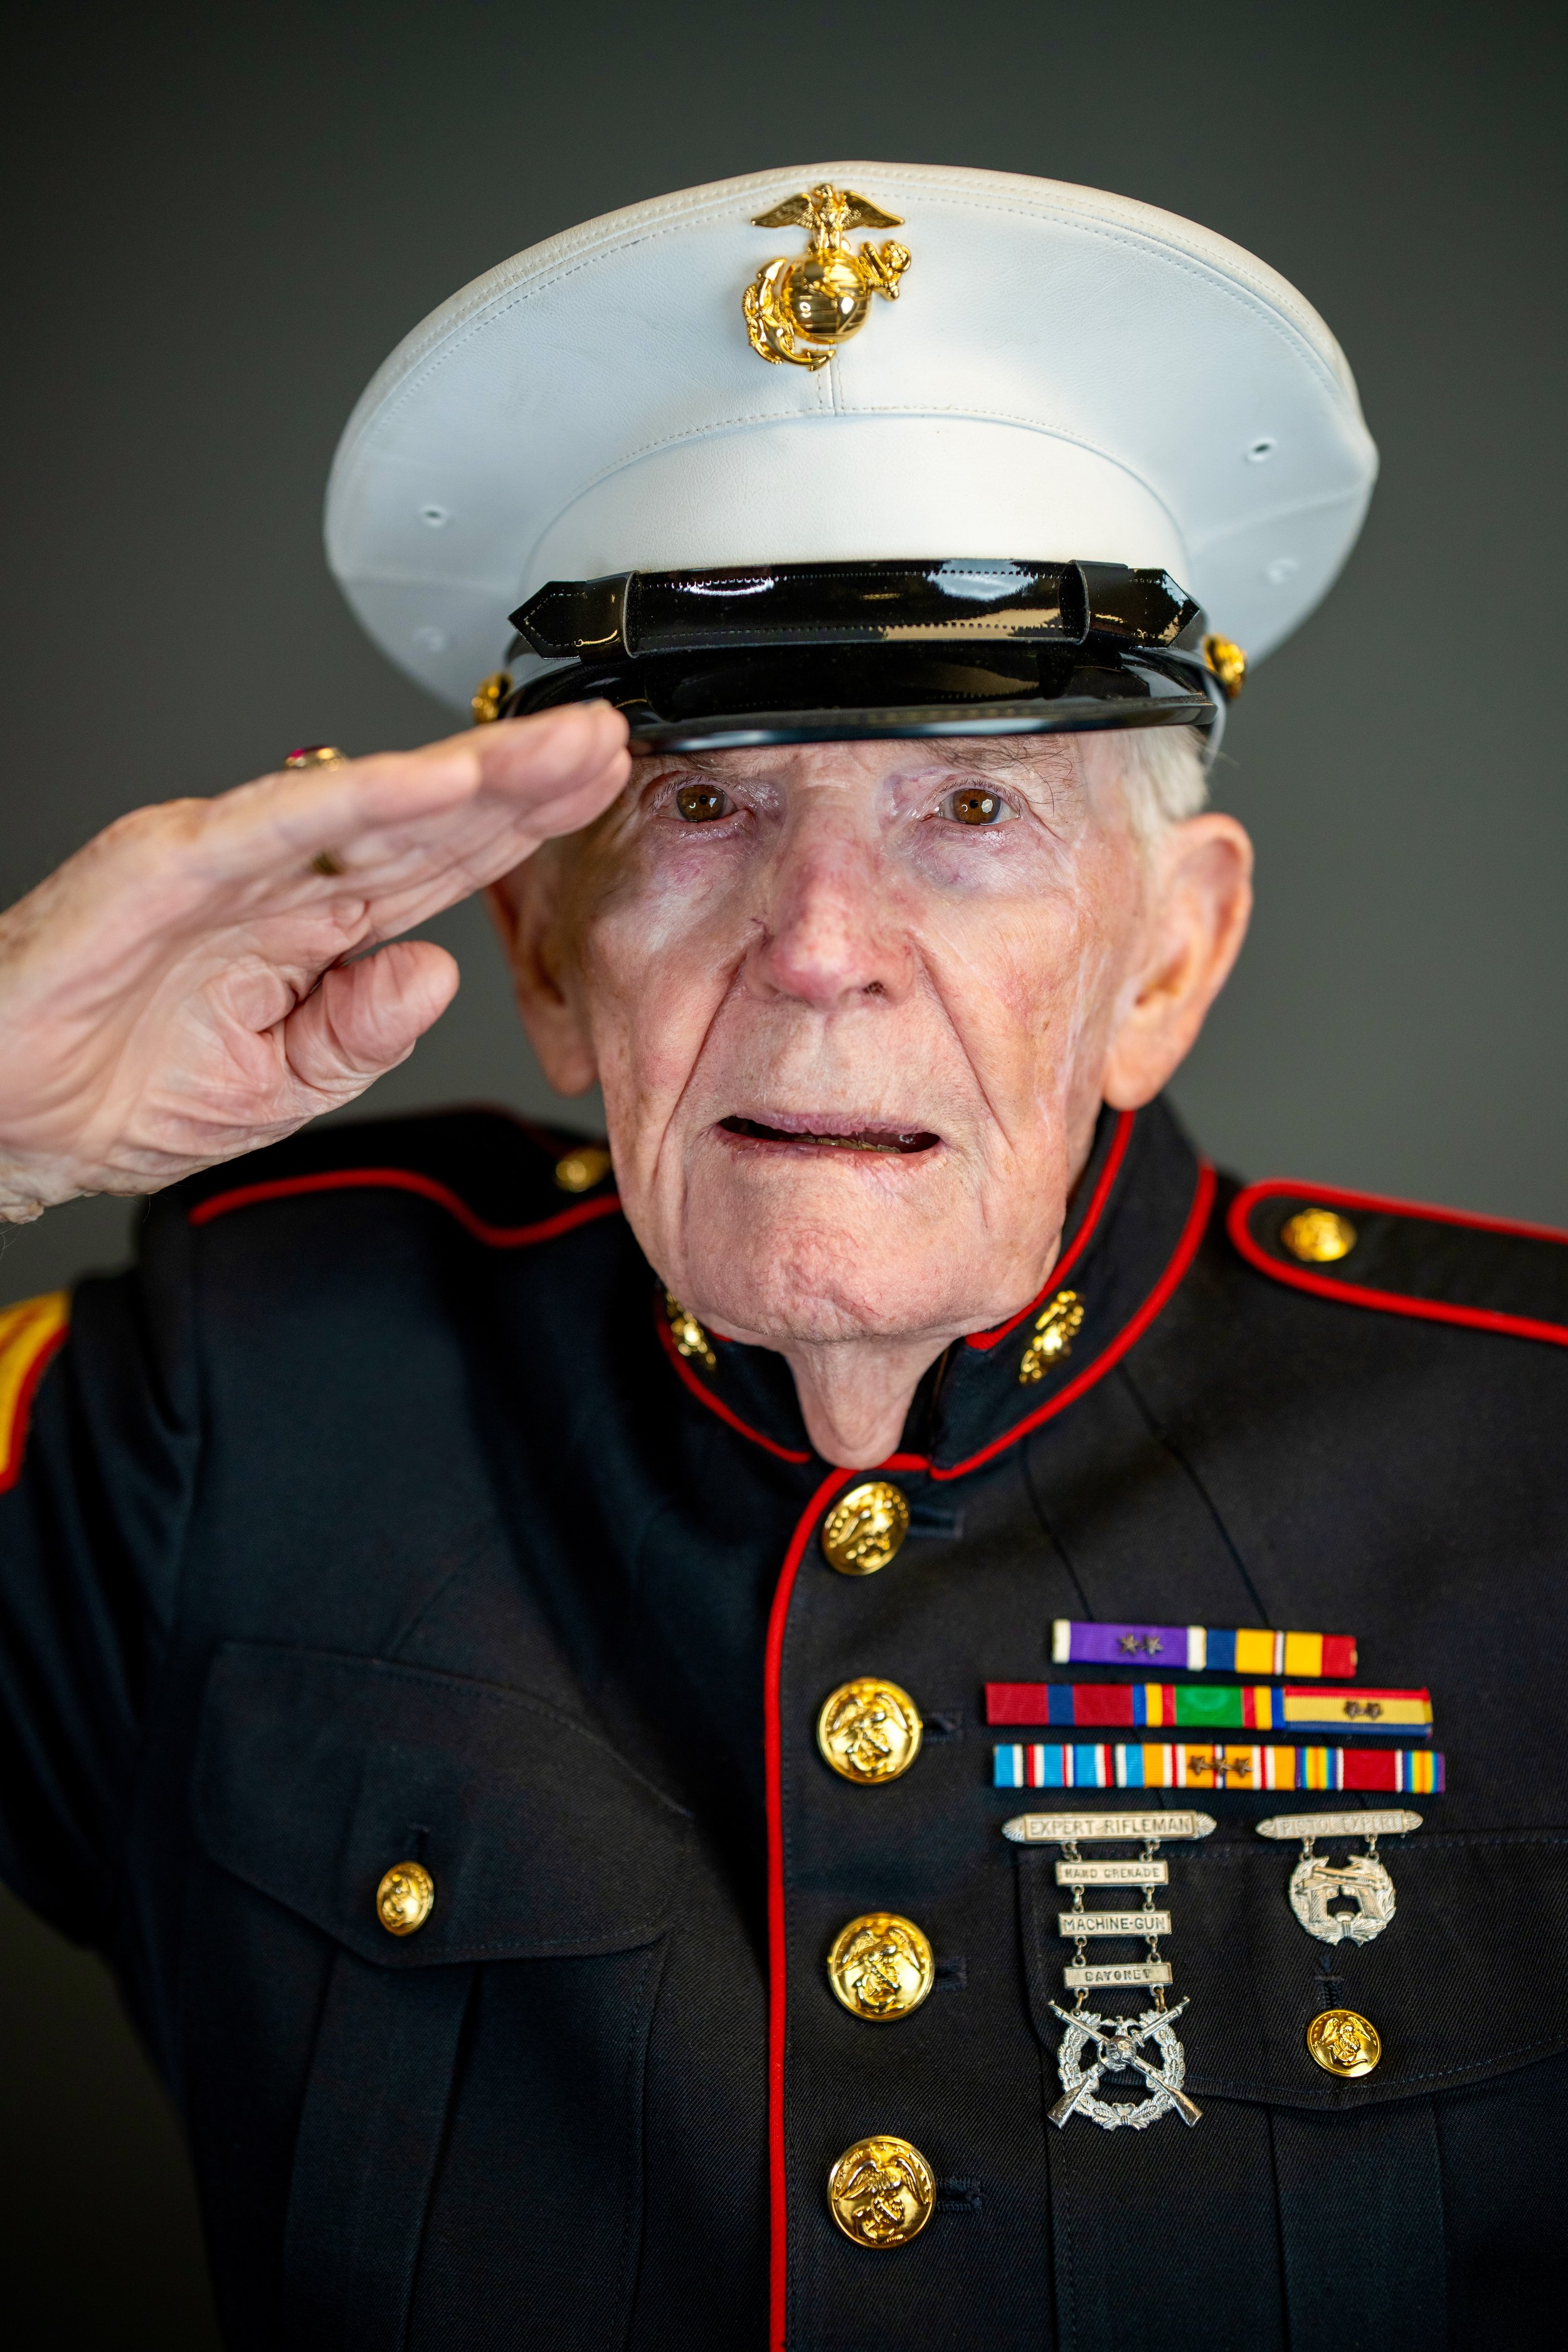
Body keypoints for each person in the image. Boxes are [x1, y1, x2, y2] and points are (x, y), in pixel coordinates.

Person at [0, 162, 1562, 2352]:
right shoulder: (228, 1396)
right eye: (703, 810)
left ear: (1169, 955)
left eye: (977, 812)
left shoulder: (1536, 1452)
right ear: (544, 951)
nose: (821, 956)